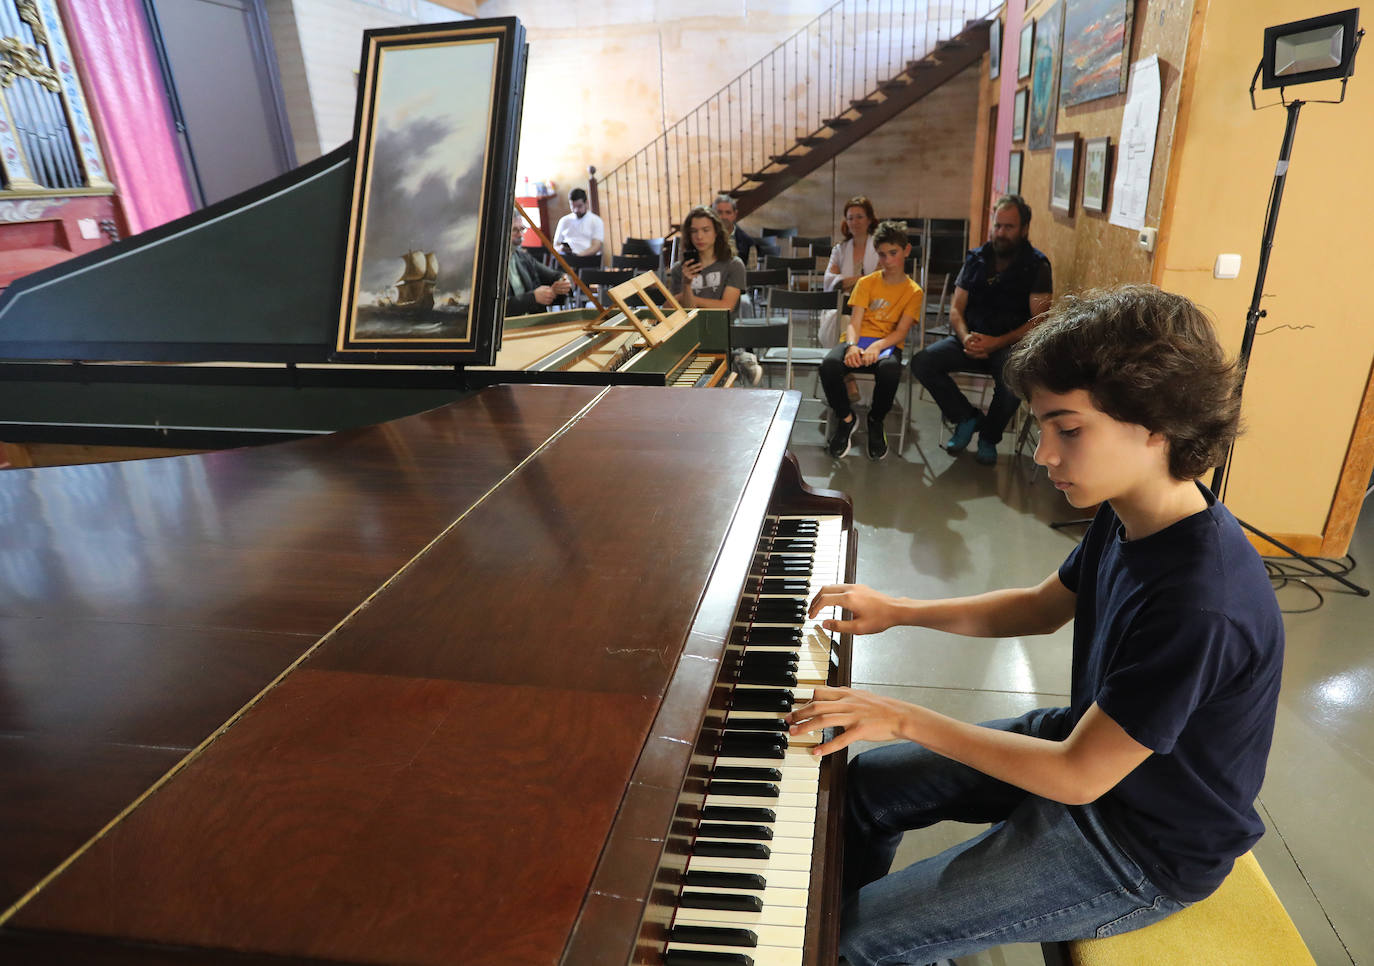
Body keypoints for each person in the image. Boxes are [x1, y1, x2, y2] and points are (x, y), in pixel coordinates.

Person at [788, 285, 1283, 966]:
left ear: (1158, 423)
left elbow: (1079, 779)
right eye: (1043, 426)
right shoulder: (1130, 509)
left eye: (1068, 428)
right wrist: (898, 611)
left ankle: (858, 943)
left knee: (855, 943)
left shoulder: (1202, 600)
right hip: (1088, 747)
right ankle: (844, 925)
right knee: (864, 789)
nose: (1045, 454)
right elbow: (1040, 606)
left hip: (1142, 847)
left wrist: (904, 716)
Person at [910, 194, 1052, 466]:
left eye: (1009, 227)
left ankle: (989, 436)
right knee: (923, 362)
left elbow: (1040, 319)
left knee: (1013, 383)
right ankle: (966, 416)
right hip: (971, 338)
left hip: (1010, 343)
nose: (1001, 233)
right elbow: (956, 309)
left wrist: (996, 342)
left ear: (1024, 230)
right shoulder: (976, 258)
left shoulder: (1037, 265)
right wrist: (965, 337)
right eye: (997, 225)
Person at [820, 220, 922, 461]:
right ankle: (846, 418)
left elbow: (901, 332)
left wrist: (876, 346)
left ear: (906, 251)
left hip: (886, 344)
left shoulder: (914, 291)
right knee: (829, 366)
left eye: (893, 253)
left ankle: (876, 419)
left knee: (889, 371)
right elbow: (855, 322)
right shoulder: (866, 283)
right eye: (882, 254)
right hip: (857, 340)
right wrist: (853, 346)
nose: (887, 260)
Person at [668, 205, 758, 384]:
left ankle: (739, 357)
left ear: (716, 232)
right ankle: (740, 359)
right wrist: (687, 285)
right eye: (694, 231)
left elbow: (726, 306)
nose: (699, 236)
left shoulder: (733, 265)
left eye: (705, 230)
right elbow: (677, 310)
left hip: (722, 333)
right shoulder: (680, 269)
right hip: (690, 336)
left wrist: (691, 299)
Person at [505, 213, 571, 316]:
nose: (520, 235)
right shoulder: (489, 266)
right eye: (514, 230)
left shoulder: (523, 257)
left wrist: (563, 281)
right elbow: (497, 308)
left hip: (531, 322)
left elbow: (554, 275)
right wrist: (533, 298)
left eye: (522, 229)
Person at [823, 195, 881, 295]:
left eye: (859, 217)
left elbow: (881, 280)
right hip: (843, 303)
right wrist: (864, 278)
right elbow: (830, 281)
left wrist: (845, 282)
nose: (855, 222)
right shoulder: (839, 250)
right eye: (850, 218)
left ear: (869, 220)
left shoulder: (881, 248)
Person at [551, 187, 603, 257]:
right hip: (567, 258)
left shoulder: (596, 220)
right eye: (573, 206)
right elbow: (556, 245)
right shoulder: (564, 220)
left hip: (588, 258)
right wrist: (561, 248)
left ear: (586, 203)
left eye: (579, 206)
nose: (576, 210)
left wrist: (579, 255)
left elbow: (596, 246)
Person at [713, 193, 755, 267]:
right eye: (719, 212)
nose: (723, 217)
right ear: (712, 214)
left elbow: (751, 275)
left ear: (735, 214)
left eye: (728, 212)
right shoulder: (703, 239)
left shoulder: (748, 243)